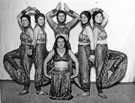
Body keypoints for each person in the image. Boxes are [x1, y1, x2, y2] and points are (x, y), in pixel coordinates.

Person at [91, 8, 128, 99]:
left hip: (105, 49)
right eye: (97, 16)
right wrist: (92, 53)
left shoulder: (101, 26)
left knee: (122, 56)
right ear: (93, 18)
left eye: (100, 16)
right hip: (99, 50)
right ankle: (100, 91)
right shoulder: (95, 28)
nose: (100, 18)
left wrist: (99, 9)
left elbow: (107, 17)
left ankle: (111, 70)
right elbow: (93, 42)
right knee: (99, 71)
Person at [3, 7, 34, 95]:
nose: (23, 22)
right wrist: (27, 10)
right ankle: (17, 69)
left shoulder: (30, 30)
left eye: (25, 20)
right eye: (23, 20)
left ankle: (26, 88)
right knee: (8, 56)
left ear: (29, 21)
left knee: (26, 70)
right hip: (21, 48)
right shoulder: (24, 28)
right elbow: (18, 17)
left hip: (27, 51)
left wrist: (31, 49)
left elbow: (34, 41)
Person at [44, 36, 79, 100]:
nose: (60, 43)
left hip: (66, 74)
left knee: (65, 92)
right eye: (59, 42)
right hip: (56, 74)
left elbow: (76, 61)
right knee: (55, 93)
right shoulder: (53, 51)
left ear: (65, 43)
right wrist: (46, 74)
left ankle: (66, 95)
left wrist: (76, 73)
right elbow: (45, 62)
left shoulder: (68, 51)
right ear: (56, 43)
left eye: (62, 41)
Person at [74, 11, 95, 96]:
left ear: (89, 18)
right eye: (81, 17)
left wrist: (92, 54)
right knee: (82, 69)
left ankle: (86, 91)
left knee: (85, 69)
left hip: (85, 51)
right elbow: (79, 16)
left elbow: (92, 41)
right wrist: (91, 11)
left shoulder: (88, 28)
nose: (82, 19)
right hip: (81, 50)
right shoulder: (85, 26)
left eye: (85, 17)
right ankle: (85, 88)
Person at [32, 8, 49, 95]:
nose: (42, 21)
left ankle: (43, 81)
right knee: (39, 68)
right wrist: (32, 50)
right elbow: (34, 39)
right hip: (38, 48)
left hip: (43, 48)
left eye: (43, 19)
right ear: (36, 20)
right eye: (40, 19)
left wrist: (37, 10)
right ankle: (38, 89)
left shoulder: (40, 27)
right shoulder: (37, 28)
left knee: (46, 65)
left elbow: (39, 15)